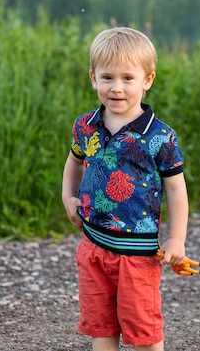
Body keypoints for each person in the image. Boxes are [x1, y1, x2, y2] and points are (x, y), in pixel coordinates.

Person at [62, 27, 189, 351]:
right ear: (93, 78)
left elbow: (175, 190)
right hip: (93, 248)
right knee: (101, 329)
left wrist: (176, 239)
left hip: (137, 254)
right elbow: (75, 162)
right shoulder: (85, 125)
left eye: (128, 79)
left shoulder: (160, 137)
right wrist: (68, 197)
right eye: (107, 78)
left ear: (147, 80)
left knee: (143, 332)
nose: (116, 88)